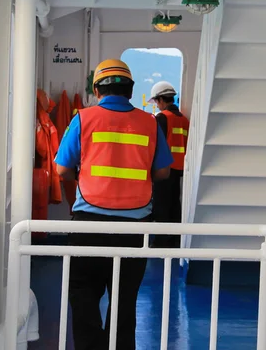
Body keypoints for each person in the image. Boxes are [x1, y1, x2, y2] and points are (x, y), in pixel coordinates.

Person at [55, 59, 173, 350]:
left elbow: (61, 170)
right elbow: (163, 172)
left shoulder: (83, 118)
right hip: (135, 226)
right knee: (124, 297)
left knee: (83, 293)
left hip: (88, 223)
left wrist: (83, 173)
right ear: (130, 90)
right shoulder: (149, 122)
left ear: (97, 89)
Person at [148, 81, 190, 248]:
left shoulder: (162, 118)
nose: (157, 106)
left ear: (160, 100)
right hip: (180, 169)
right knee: (174, 204)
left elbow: (156, 145)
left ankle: (161, 242)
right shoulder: (184, 120)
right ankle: (173, 240)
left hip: (165, 169)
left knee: (161, 205)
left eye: (157, 102)